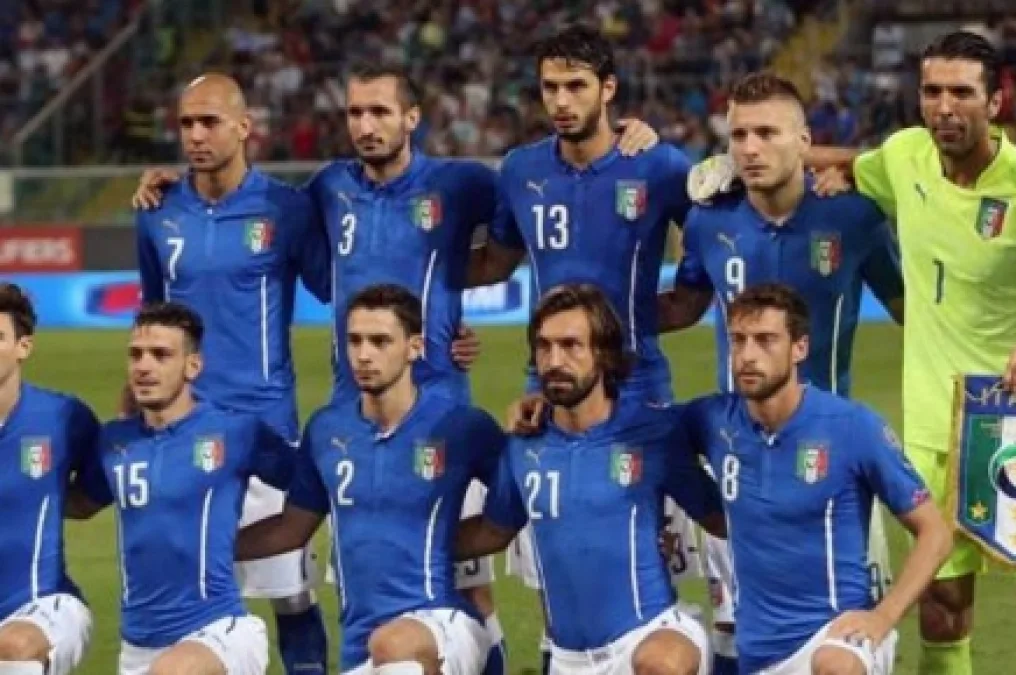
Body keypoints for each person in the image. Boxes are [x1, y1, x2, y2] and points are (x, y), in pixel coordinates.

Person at [130, 64, 659, 671]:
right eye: (356, 113)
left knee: (466, 584)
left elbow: (528, 215)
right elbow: (317, 271)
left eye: (380, 111)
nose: (366, 125)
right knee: (358, 579)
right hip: (354, 410)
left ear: (412, 118)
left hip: (441, 406)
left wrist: (623, 139)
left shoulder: (460, 184)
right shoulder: (327, 189)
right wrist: (170, 183)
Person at [689, 31, 1016, 675]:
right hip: (932, 418)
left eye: (961, 92)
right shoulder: (904, 156)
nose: (944, 106)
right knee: (942, 605)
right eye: (932, 91)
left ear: (996, 102)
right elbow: (827, 156)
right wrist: (730, 163)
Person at [463, 24, 705, 668]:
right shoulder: (521, 170)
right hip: (551, 394)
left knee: (658, 559)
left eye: (576, 86)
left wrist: (646, 320)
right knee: (558, 568)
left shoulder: (658, 166)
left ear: (609, 89)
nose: (561, 100)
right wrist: (420, 295)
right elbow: (494, 263)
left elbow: (710, 251)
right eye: (550, 87)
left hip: (641, 391)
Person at [657, 70, 904, 675]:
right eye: (739, 135)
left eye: (767, 133)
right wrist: (592, 320)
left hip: (838, 460)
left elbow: (911, 311)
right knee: (733, 628)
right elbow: (683, 306)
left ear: (804, 141)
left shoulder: (853, 217)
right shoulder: (710, 223)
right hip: (737, 456)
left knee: (853, 631)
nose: (750, 148)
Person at [129, 72, 330, 674]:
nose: (196, 135)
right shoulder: (158, 211)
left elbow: (339, 290)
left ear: (244, 127)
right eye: (187, 123)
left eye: (209, 122)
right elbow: (152, 315)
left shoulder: (286, 209)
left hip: (264, 427)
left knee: (291, 593)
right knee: (187, 597)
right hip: (182, 431)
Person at [234, 284, 507, 675]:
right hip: (362, 643)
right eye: (355, 340)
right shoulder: (326, 430)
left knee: (394, 647)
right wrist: (209, 547)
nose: (363, 355)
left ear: (414, 347)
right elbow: (291, 530)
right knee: (386, 649)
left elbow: (516, 498)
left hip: (442, 621)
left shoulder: (459, 425)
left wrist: (445, 540)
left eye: (380, 342)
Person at [457, 284, 726, 675]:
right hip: (568, 660)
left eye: (571, 346)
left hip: (649, 634)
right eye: (544, 346)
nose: (554, 360)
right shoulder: (523, 446)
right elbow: (492, 533)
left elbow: (720, 520)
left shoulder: (652, 433)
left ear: (603, 354)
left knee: (662, 664)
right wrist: (404, 542)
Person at [683, 282, 950, 674]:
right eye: (738, 340)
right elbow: (642, 438)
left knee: (835, 667)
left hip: (838, 637)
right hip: (757, 654)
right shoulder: (712, 421)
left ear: (800, 348)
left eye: (765, 340)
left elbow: (935, 533)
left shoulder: (851, 426)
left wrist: (884, 616)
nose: (748, 355)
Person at [70, 302, 296, 675]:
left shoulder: (236, 432)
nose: (143, 366)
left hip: (220, 630)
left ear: (192, 366)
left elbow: (309, 489)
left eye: (160, 355)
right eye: (136, 354)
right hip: (138, 647)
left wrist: (246, 542)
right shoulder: (114, 440)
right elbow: (81, 503)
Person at [0, 283, 98, 675]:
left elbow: (99, 488)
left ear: (23, 347)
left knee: (14, 647)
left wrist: (51, 498)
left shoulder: (61, 417)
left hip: (44, 604)